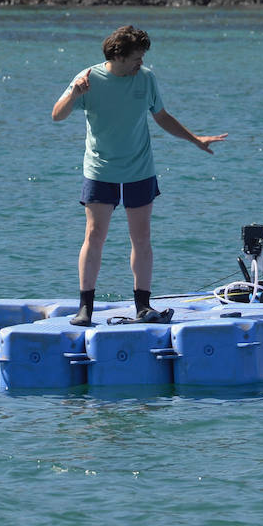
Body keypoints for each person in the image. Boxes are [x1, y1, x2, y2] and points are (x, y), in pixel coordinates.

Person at [52, 25, 227, 326]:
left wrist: (195, 139)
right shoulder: (89, 79)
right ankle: (85, 308)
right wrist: (74, 94)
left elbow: (162, 117)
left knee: (141, 237)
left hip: (139, 169)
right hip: (101, 170)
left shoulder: (145, 79)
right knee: (94, 236)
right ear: (118, 55)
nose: (141, 64)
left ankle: (143, 306)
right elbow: (57, 114)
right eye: (136, 58)